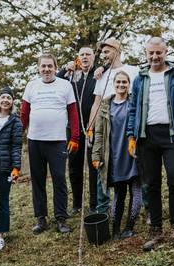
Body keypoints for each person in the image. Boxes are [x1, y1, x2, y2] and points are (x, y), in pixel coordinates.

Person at [126, 37, 174, 251]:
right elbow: (133, 110)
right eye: (151, 53)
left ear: (166, 51)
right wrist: (131, 136)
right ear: (146, 53)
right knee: (150, 183)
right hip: (146, 136)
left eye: (158, 52)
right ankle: (156, 229)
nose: (155, 56)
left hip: (172, 135)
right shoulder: (140, 78)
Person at [20, 53, 80, 234]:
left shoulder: (65, 85)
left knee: (59, 179)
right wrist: (18, 135)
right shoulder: (31, 86)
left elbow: (73, 114)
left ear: (55, 67)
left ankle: (61, 218)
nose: (46, 69)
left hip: (58, 141)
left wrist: (75, 138)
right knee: (38, 180)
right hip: (35, 140)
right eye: (43, 66)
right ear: (38, 68)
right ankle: (41, 218)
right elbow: (24, 114)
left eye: (50, 66)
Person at [89, 38, 139, 215]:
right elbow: (96, 103)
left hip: (129, 125)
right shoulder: (102, 76)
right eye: (102, 52)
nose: (103, 55)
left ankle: (145, 208)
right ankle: (103, 210)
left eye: (107, 51)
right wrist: (90, 127)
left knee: (138, 170)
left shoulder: (133, 71)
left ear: (117, 50)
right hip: (108, 128)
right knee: (104, 166)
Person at [92, 71, 142, 239]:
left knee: (136, 190)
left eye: (125, 82)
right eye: (118, 82)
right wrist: (96, 155)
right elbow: (99, 133)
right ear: (114, 84)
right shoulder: (106, 105)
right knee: (119, 193)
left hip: (133, 152)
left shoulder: (135, 102)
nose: (121, 85)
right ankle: (115, 229)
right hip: (114, 154)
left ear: (129, 84)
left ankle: (129, 227)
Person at [57, 46, 98, 216]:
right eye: (82, 55)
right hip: (72, 129)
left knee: (93, 165)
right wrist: (64, 69)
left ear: (93, 58)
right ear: (77, 58)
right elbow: (55, 82)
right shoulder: (71, 76)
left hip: (92, 127)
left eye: (88, 54)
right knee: (74, 166)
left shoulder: (98, 74)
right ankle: (77, 204)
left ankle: (94, 203)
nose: (85, 57)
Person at [0, 86, 23, 252]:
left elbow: (16, 146)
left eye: (9, 98)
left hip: (5, 165)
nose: (5, 100)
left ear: (12, 101)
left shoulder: (15, 121)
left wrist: (16, 167)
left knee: (3, 200)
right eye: (3, 97)